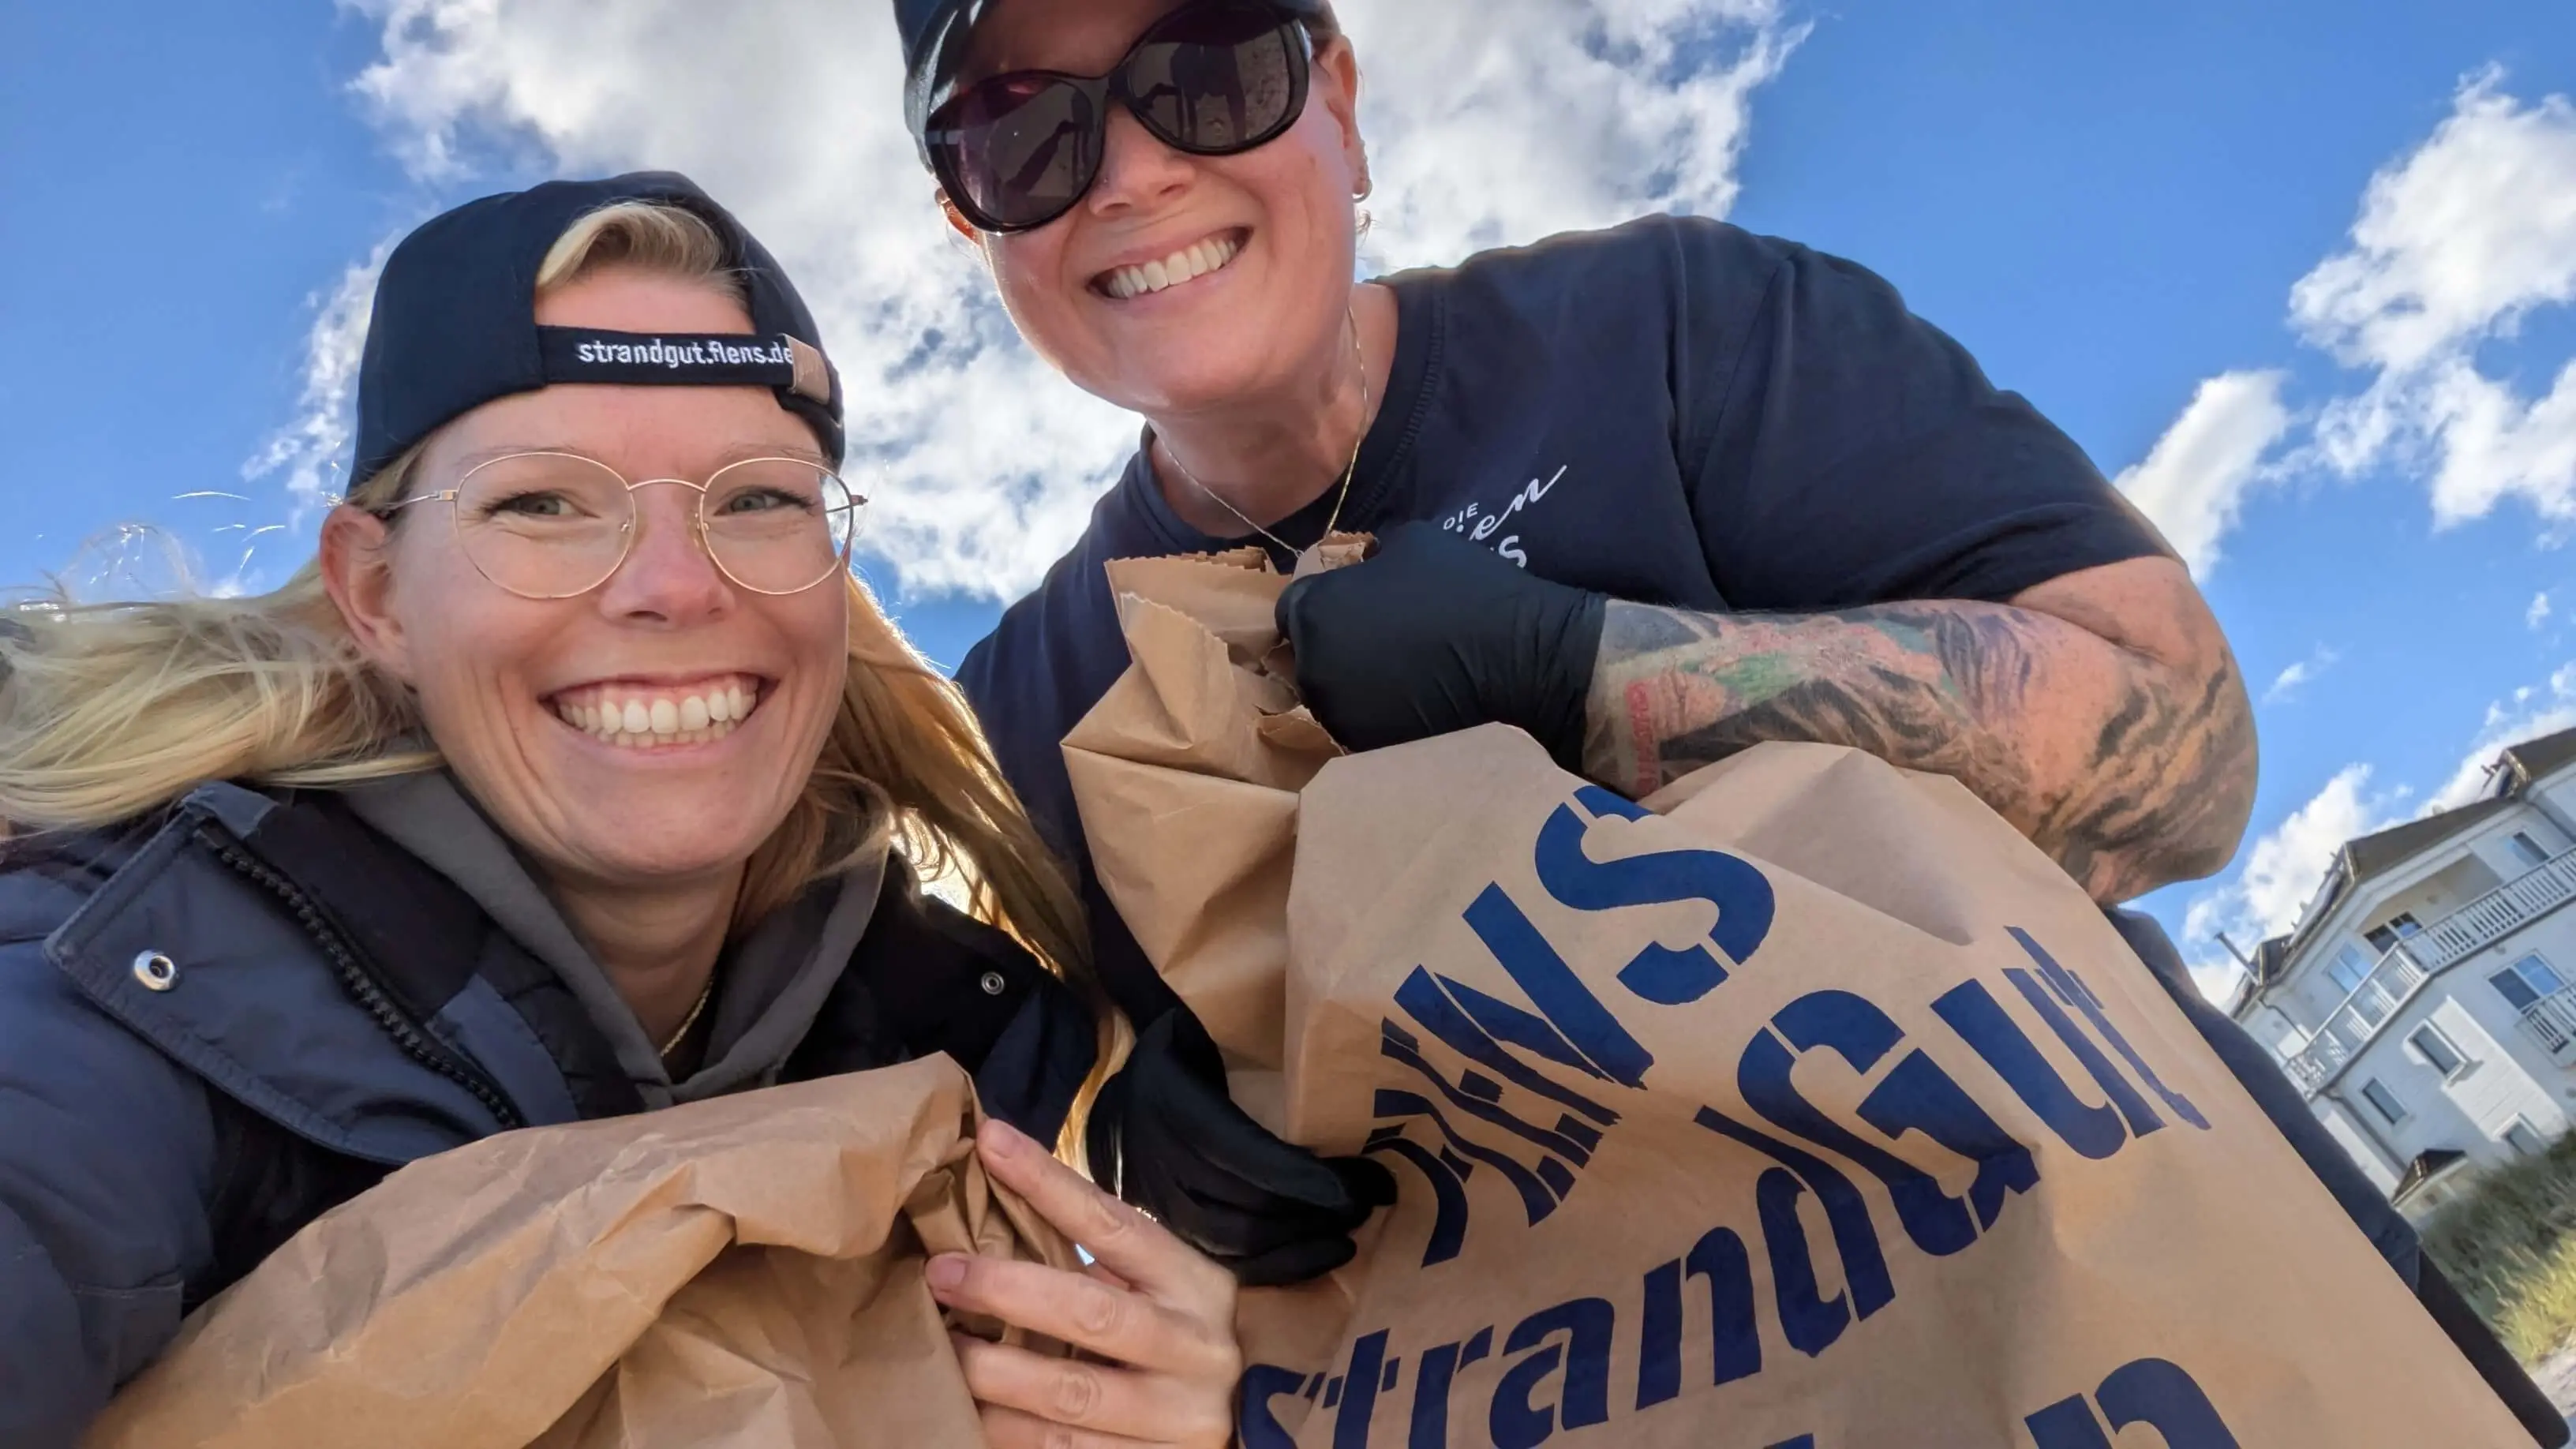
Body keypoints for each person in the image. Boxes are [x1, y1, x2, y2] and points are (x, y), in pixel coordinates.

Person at [890, 2, 2570, 1440]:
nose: (1129, 169)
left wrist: (1590, 671)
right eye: (1023, 135)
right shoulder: (1024, 722)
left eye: (1207, 67)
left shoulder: (1672, 333)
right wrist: (1142, 1162)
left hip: (2141, 1321)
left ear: (1337, 101)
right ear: (979, 233)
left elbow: (2187, 751)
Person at [0, 174, 1244, 1449]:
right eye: (541, 502)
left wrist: (1188, 1399)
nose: (672, 586)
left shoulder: (969, 1054)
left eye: (757, 498)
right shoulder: (124, 976)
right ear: (376, 596)